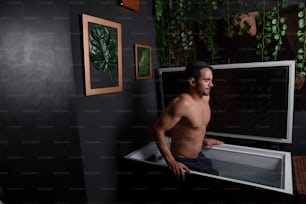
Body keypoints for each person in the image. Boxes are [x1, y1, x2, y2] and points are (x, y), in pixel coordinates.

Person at [152, 61, 224, 181]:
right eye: (206, 80)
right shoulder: (181, 103)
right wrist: (172, 162)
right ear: (192, 82)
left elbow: (192, 127)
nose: (211, 85)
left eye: (211, 80)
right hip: (183, 161)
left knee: (221, 177)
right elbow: (157, 130)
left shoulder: (206, 98)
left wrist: (203, 139)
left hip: (198, 156)